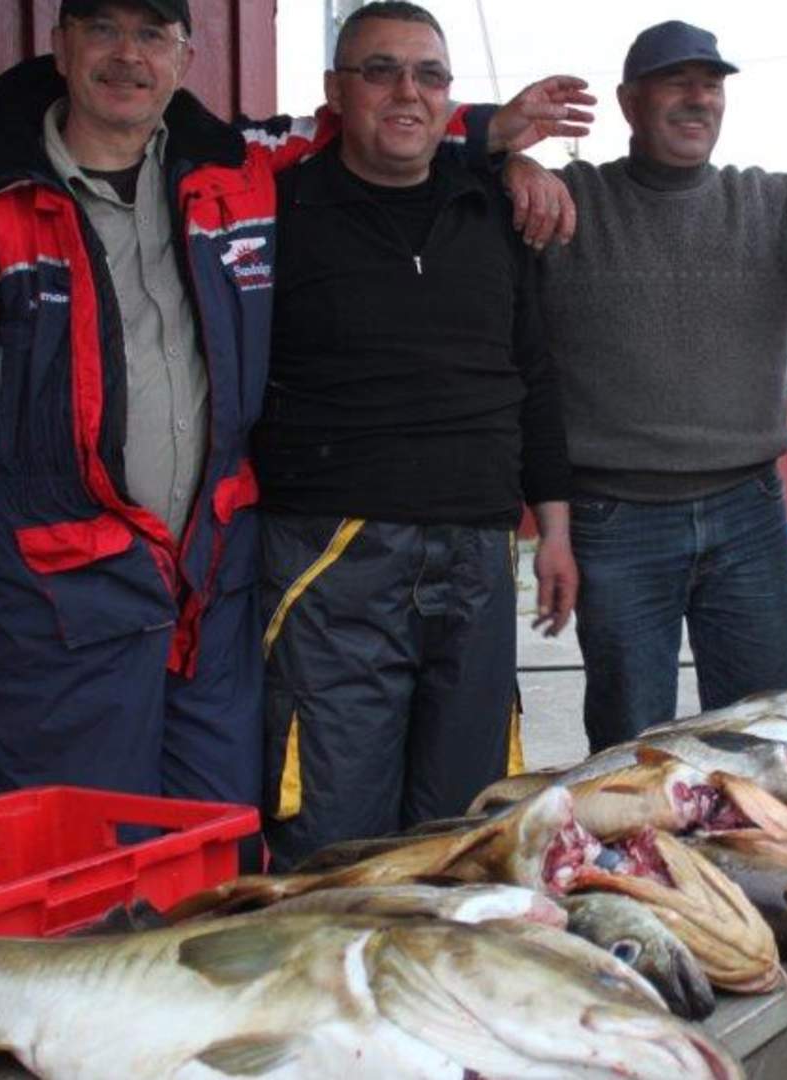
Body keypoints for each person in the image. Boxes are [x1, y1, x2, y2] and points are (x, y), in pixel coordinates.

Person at [0, 0, 587, 863]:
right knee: (73, 853)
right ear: (61, 47)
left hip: (208, 577)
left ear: (184, 56)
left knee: (217, 845)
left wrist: (499, 146)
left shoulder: (232, 173)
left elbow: (374, 128)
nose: (128, 56)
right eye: (104, 31)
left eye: (152, 35)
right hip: (59, 581)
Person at [510, 20, 787, 754]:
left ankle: (754, 870)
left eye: (712, 84)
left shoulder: (773, 208)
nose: (698, 99)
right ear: (631, 102)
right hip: (614, 520)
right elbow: (449, 189)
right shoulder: (567, 206)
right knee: (632, 752)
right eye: (676, 82)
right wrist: (508, 166)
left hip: (750, 518)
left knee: (768, 739)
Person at [255, 1, 576, 865]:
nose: (407, 92)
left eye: (429, 75)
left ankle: (440, 991)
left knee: (463, 828)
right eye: (380, 70)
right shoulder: (278, 207)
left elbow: (535, 376)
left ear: (451, 98)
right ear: (335, 91)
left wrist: (554, 530)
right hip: (335, 552)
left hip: (475, 549)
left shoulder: (495, 209)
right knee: (334, 829)